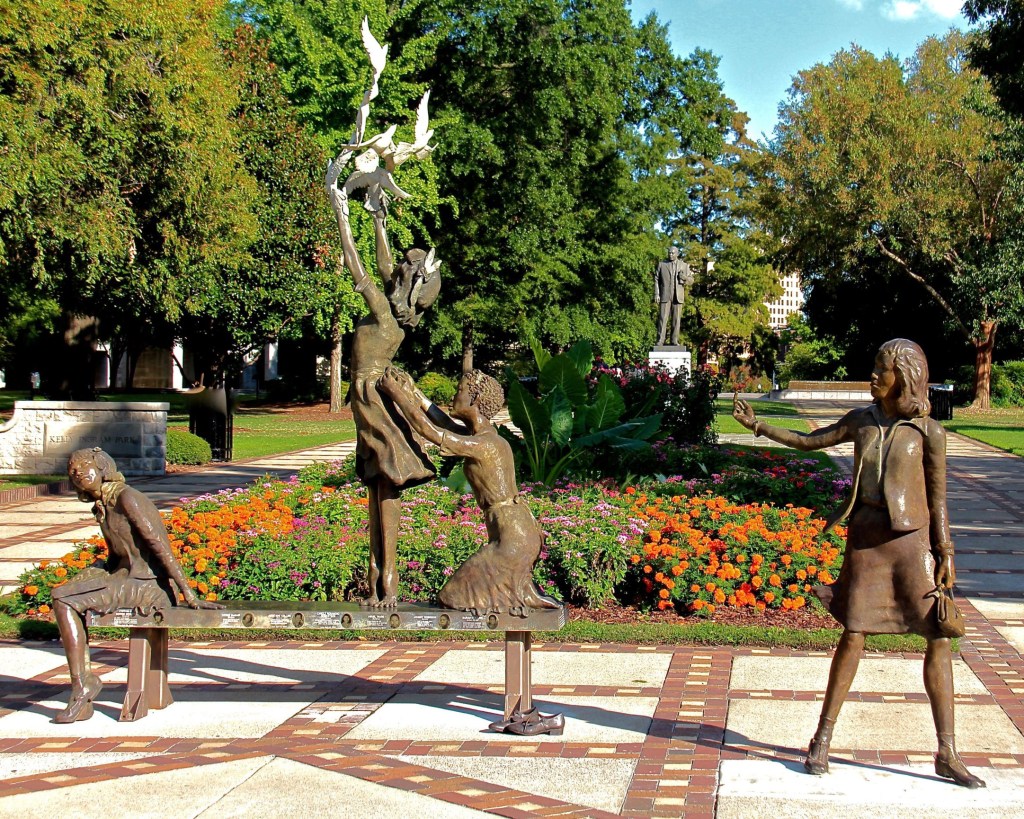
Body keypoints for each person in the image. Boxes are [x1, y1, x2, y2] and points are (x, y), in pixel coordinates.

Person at [732, 338, 985, 789]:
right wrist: (759, 426)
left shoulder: (928, 432)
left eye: (881, 369)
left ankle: (947, 752)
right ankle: (822, 739)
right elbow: (810, 441)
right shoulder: (861, 420)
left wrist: (945, 551)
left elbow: (939, 499)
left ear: (903, 378)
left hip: (912, 543)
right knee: (853, 634)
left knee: (939, 638)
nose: (873, 375)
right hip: (867, 540)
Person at [329, 185, 441, 608]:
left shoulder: (382, 314)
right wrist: (378, 217)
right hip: (370, 399)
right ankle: (378, 575)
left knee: (386, 484)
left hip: (373, 400)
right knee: (378, 486)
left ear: (411, 285)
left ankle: (387, 578)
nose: (396, 269)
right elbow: (383, 264)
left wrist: (342, 215)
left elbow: (358, 266)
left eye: (406, 267)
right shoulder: (391, 316)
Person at [52, 448, 222, 723]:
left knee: (63, 598)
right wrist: (96, 571)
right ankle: (82, 685)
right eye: (73, 470)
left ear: (103, 467)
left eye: (84, 466)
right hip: (126, 579)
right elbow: (119, 555)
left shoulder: (127, 498)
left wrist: (188, 594)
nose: (78, 473)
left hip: (148, 585)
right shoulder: (104, 506)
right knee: (65, 594)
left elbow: (160, 547)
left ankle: (82, 686)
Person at [378, 367, 561, 617]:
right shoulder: (483, 436)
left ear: (475, 399)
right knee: (463, 595)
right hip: (517, 532)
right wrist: (414, 393)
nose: (454, 395)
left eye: (460, 390)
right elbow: (445, 425)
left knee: (453, 595)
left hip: (514, 538)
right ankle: (524, 593)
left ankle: (522, 595)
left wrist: (396, 393)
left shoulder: (485, 444)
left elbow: (431, 432)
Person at [654, 246, 694, 347]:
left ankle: (674, 340)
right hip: (665, 295)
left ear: (677, 254)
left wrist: (684, 278)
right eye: (669, 253)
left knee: (676, 320)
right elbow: (656, 279)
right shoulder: (662, 264)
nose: (670, 254)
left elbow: (691, 281)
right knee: (662, 319)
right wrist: (657, 294)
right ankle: (660, 340)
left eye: (672, 253)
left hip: (678, 296)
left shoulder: (684, 265)